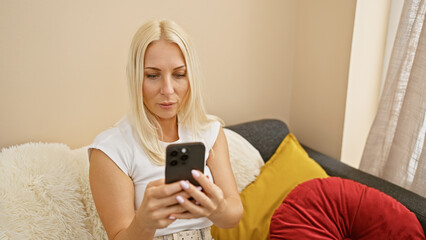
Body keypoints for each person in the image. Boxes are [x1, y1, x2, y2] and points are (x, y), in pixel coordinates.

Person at [88, 19, 243, 240]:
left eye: (179, 74)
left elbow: (234, 216)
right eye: (153, 75)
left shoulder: (209, 131)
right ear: (136, 77)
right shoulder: (110, 150)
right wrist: (144, 222)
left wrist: (217, 209)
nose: (168, 90)